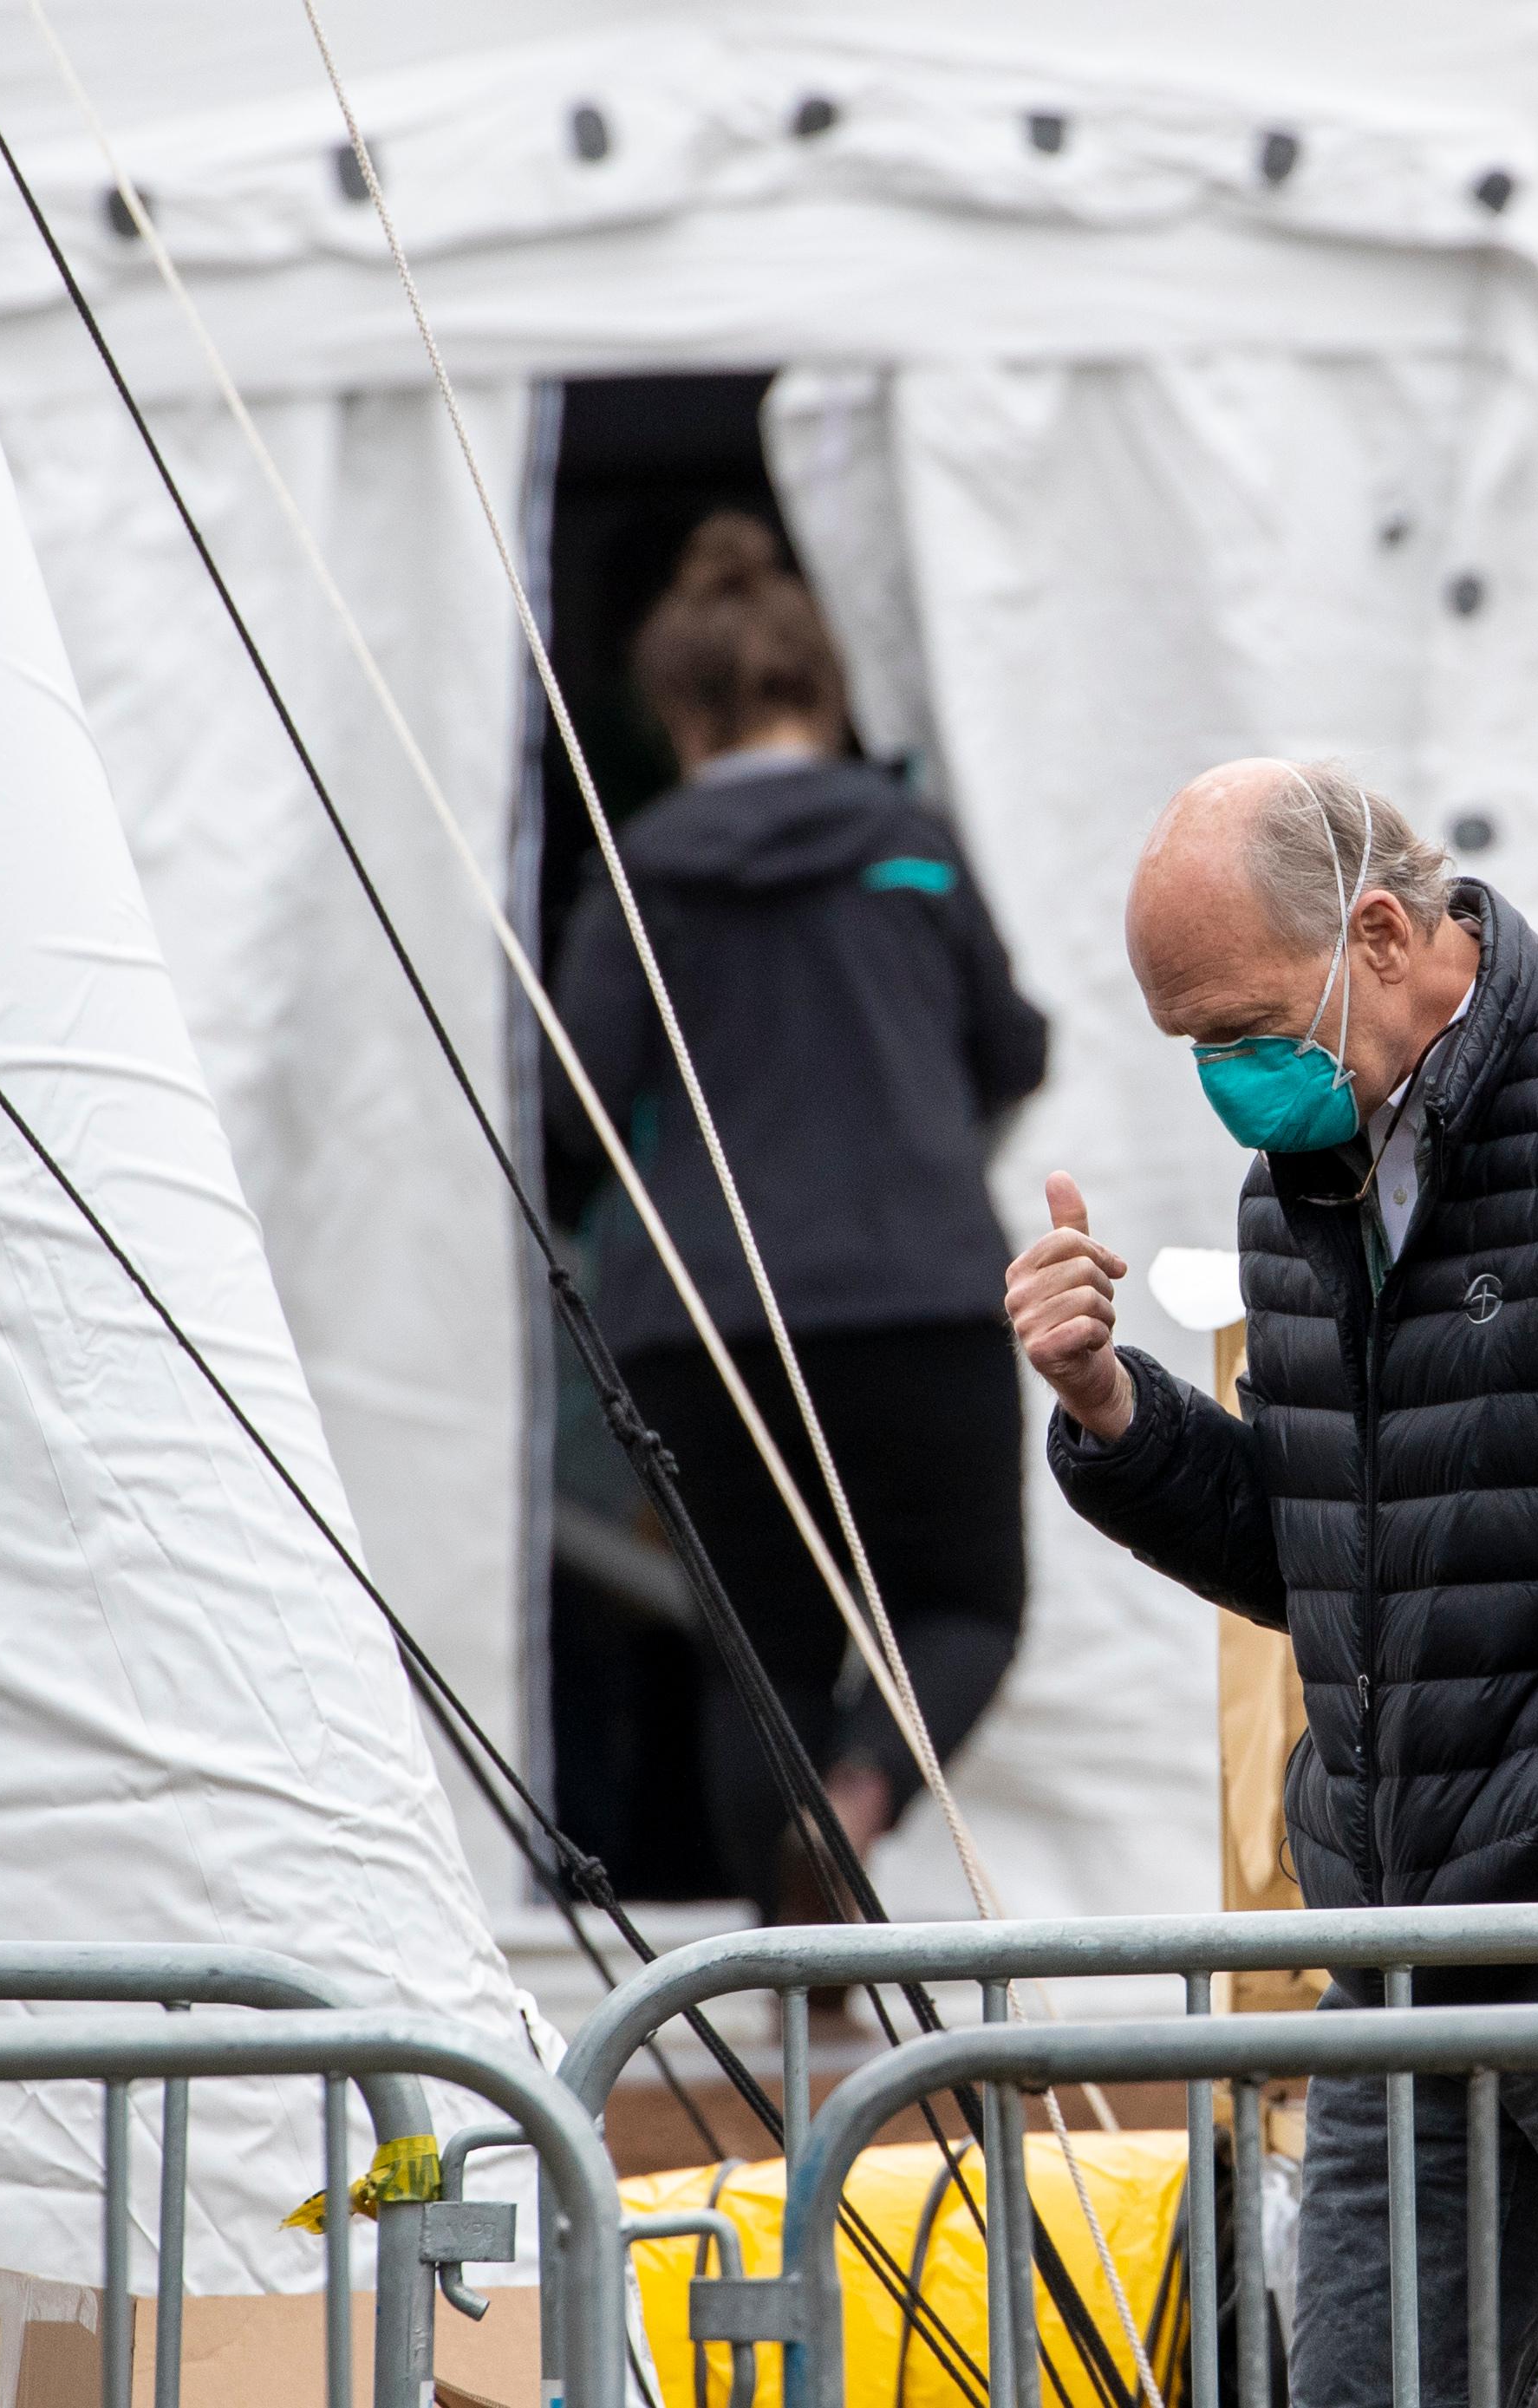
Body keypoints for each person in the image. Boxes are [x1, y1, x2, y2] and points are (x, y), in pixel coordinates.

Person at [1008, 759, 1538, 2402]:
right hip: (1404, 1941)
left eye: (1238, 1024)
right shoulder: (1297, 1189)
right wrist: (1114, 1410)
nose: (1226, 1079)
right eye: (1194, 1047)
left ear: (1379, 931)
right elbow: (1325, 1560)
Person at [548, 513, 1049, 1918]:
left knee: (754, 1659)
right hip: (916, 1291)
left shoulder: (642, 867)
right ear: (821, 690)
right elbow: (1010, 1047)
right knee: (964, 1606)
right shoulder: (909, 843)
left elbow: (571, 1090)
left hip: (699, 1317)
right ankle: (865, 1793)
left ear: (674, 712)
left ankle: (798, 2023)